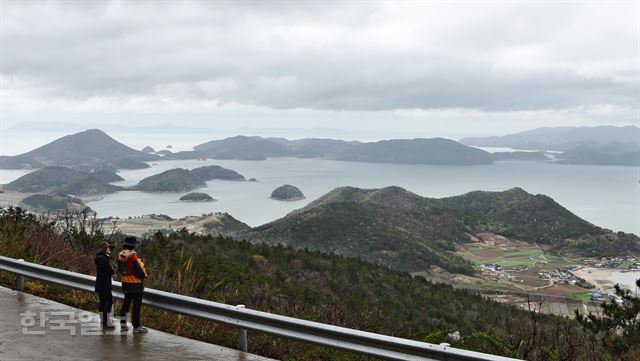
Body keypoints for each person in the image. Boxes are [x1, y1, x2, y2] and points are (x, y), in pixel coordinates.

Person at [117, 236, 148, 334]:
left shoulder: (121, 255)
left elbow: (121, 269)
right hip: (135, 284)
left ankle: (123, 325)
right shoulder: (134, 256)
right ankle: (136, 327)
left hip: (125, 283)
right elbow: (140, 270)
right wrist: (144, 276)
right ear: (133, 246)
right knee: (136, 306)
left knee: (126, 304)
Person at [94, 241, 115, 329]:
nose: (109, 249)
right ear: (105, 249)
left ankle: (103, 320)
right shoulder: (103, 259)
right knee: (109, 301)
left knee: (102, 302)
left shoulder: (99, 258)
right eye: (108, 247)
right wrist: (113, 271)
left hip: (100, 284)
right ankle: (106, 322)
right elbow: (108, 269)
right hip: (104, 284)